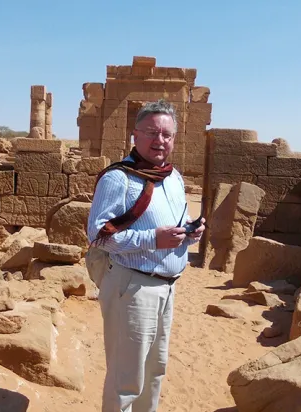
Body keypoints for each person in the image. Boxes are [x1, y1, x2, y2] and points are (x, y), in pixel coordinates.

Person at [87, 99, 206, 412]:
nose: (160, 140)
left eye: (167, 134)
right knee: (126, 379)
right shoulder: (119, 179)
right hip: (132, 287)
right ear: (134, 135)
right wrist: (154, 238)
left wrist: (190, 233)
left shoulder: (174, 178)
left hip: (167, 287)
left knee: (155, 371)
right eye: (152, 132)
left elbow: (173, 225)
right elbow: (99, 236)